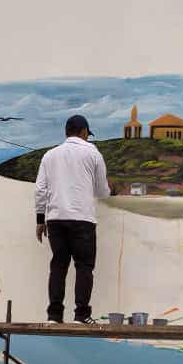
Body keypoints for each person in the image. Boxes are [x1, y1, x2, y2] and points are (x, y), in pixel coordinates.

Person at [35, 115, 111, 324]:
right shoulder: (93, 153)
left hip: (55, 219)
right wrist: (109, 187)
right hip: (82, 219)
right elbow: (102, 191)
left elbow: (40, 190)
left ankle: (54, 315)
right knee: (84, 266)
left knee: (58, 266)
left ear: (66, 132)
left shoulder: (49, 155)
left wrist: (40, 219)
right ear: (84, 131)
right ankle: (81, 315)